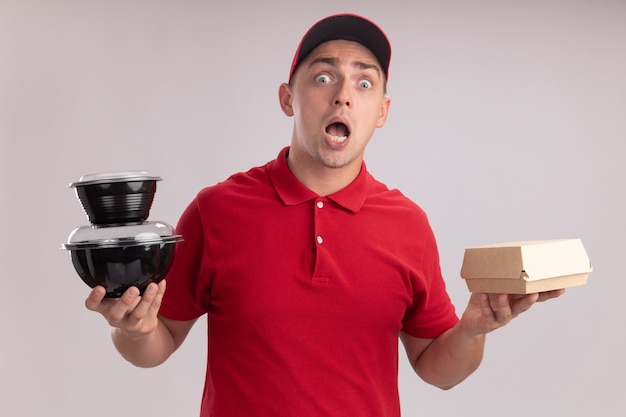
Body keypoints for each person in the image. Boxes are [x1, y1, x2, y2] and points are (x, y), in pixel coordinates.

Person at [85, 13, 564, 417]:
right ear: (287, 98)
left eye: (363, 81)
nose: (343, 94)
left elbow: (438, 369)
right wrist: (132, 329)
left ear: (381, 110)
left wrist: (472, 330)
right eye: (322, 76)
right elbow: (157, 343)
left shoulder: (408, 224)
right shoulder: (217, 210)